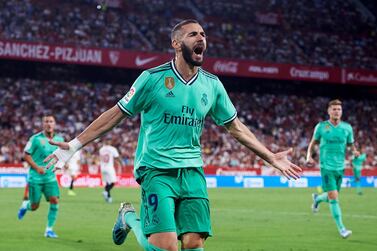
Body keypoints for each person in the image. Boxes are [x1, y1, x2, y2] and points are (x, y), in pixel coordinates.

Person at [45, 19, 301, 251]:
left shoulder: (212, 85)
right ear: (176, 43)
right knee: (167, 248)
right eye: (193, 34)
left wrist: (270, 157)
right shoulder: (152, 79)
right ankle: (129, 217)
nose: (201, 38)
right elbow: (116, 114)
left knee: (194, 243)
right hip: (157, 169)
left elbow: (236, 127)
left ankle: (133, 218)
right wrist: (74, 145)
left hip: (192, 171)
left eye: (203, 34)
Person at [307, 99, 359, 239]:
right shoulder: (321, 127)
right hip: (326, 167)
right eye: (334, 109)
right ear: (329, 111)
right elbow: (312, 143)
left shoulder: (347, 128)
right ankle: (342, 229)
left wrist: (354, 152)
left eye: (339, 109)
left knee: (332, 197)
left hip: (340, 167)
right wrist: (308, 157)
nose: (337, 111)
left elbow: (351, 144)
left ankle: (317, 198)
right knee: (334, 198)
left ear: (341, 112)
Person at [18, 115, 64, 238]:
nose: (49, 124)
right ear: (43, 124)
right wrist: (37, 167)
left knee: (55, 200)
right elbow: (26, 155)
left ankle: (49, 230)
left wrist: (63, 163)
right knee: (34, 206)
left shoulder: (59, 139)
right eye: (46, 121)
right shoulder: (35, 139)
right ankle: (25, 206)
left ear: (55, 124)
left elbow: (61, 155)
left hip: (51, 178)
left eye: (51, 121)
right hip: (36, 178)